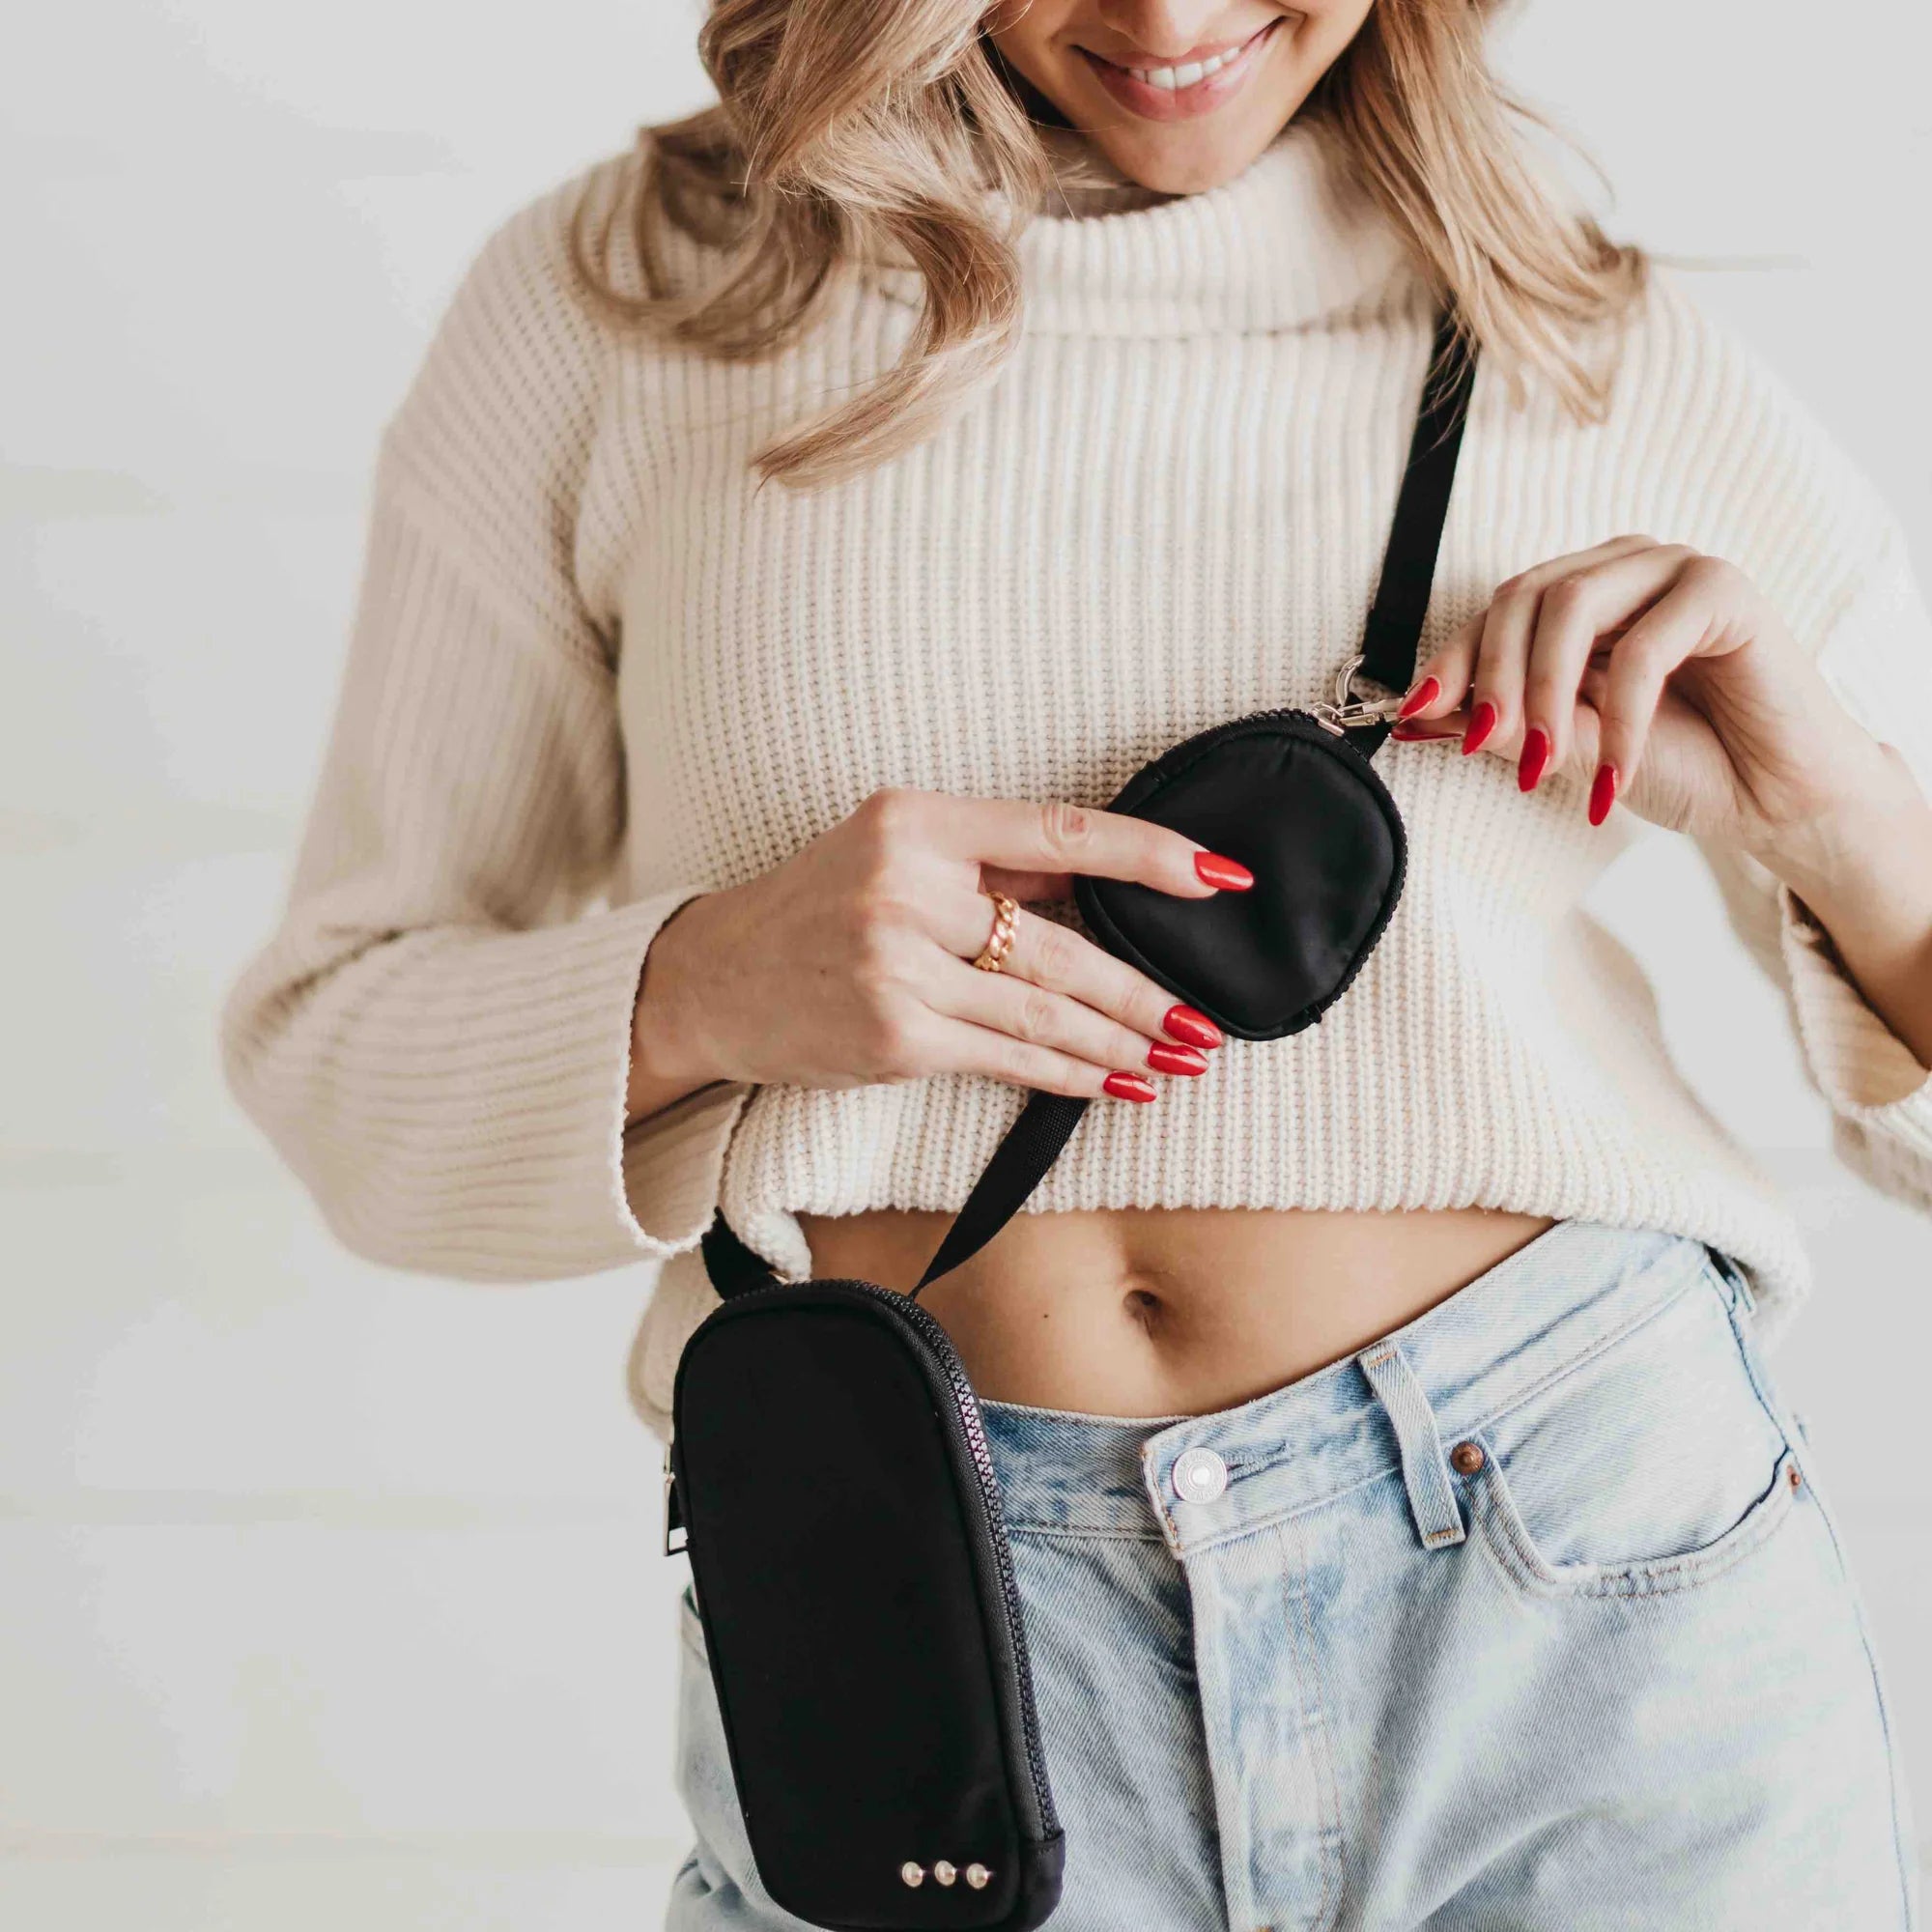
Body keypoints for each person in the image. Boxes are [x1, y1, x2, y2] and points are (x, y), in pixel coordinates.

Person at [220, 2, 1932, 1924]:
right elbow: (335, 1069)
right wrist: (702, 984)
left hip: (1580, 1557)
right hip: (923, 1618)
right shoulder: (630, 301)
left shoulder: (1578, 333)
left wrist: (1845, 823)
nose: (1173, 20)